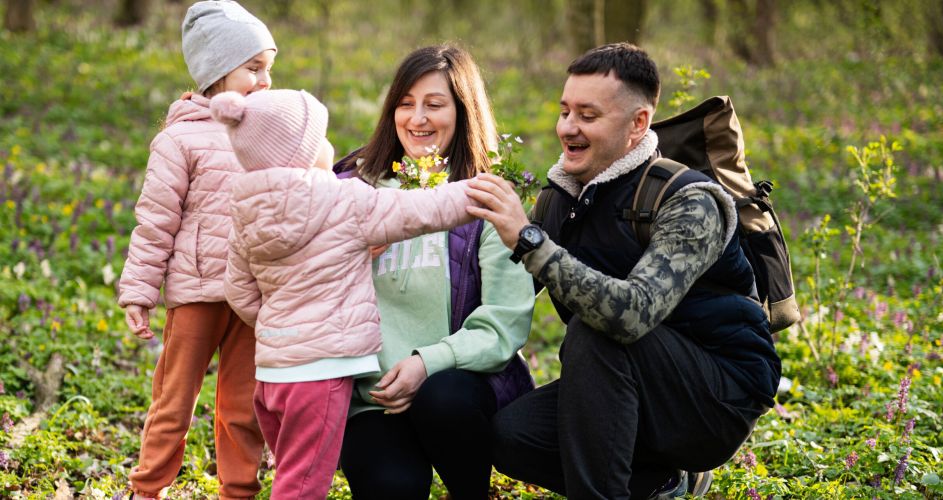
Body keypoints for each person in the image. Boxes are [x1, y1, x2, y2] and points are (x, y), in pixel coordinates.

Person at [465, 43, 781, 499]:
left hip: (718, 396)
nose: (568, 128)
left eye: (587, 116)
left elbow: (631, 314)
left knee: (598, 334)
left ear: (638, 124)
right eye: (565, 111)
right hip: (629, 385)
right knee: (513, 435)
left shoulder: (688, 199)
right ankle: (661, 482)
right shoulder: (560, 201)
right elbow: (497, 297)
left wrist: (529, 240)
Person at [209, 87, 484, 498]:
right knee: (302, 487)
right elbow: (421, 211)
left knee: (290, 471)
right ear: (301, 153)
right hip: (319, 376)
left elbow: (239, 290)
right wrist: (478, 193)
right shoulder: (345, 200)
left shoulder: (245, 210)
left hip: (270, 376)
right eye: (319, 138)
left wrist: (280, 323)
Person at [333, 45, 535, 500]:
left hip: (455, 387)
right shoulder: (348, 188)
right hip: (369, 399)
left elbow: (504, 322)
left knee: (442, 400)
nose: (417, 118)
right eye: (405, 103)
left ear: (463, 113)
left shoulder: (487, 199)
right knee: (392, 488)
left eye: (434, 104)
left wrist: (427, 363)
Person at [116, 2, 275, 498]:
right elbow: (155, 223)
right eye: (253, 69)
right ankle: (147, 487)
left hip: (252, 298)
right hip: (194, 296)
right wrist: (139, 291)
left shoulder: (268, 135)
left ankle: (238, 490)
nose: (265, 81)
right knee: (174, 398)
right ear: (215, 71)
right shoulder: (179, 139)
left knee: (243, 406)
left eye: (270, 69)